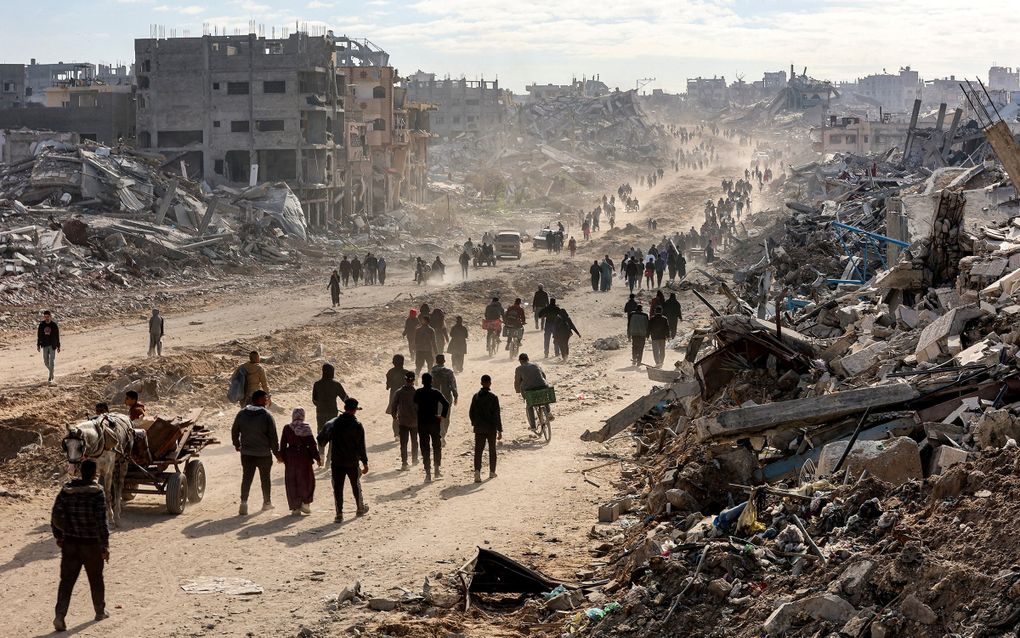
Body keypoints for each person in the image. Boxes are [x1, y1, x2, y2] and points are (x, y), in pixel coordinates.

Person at [51, 459, 109, 632]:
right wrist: (104, 546)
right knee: (96, 579)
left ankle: (60, 616)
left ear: (80, 472)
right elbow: (101, 523)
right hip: (91, 545)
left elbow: (55, 516)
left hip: (70, 544)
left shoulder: (66, 490)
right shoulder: (97, 492)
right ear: (93, 474)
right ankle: (99, 611)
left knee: (66, 582)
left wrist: (59, 535)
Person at [319, 398, 369, 523]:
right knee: (355, 485)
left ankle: (339, 514)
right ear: (355, 410)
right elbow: (361, 446)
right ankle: (359, 508)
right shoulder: (357, 425)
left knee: (337, 488)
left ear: (345, 408)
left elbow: (321, 439)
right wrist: (365, 462)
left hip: (337, 462)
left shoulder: (334, 423)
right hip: (352, 461)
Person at [231, 390, 279, 515]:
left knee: (246, 478)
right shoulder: (267, 416)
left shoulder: (241, 414)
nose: (267, 400)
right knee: (265, 479)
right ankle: (267, 503)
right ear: (260, 400)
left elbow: (234, 430)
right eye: (266, 398)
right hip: (263, 454)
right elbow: (273, 437)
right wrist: (277, 454)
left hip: (246, 453)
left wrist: (237, 444)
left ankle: (243, 503)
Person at [280, 407, 321, 516]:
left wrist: (282, 457)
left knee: (292, 481)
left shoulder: (287, 428)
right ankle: (305, 503)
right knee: (307, 480)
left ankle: (295, 507)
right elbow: (312, 445)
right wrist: (317, 458)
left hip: (291, 457)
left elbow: (283, 444)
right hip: (304, 457)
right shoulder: (306, 428)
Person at [413, 373, 450, 483]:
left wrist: (418, 415)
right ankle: (437, 470)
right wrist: (442, 416)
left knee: (425, 448)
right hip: (434, 422)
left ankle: (428, 473)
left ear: (422, 382)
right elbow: (446, 403)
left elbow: (414, 405)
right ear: (432, 381)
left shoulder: (418, 392)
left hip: (422, 422)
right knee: (436, 446)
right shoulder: (436, 392)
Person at [469, 375, 502, 483]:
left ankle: (477, 472)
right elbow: (497, 414)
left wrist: (474, 423)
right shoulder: (493, 397)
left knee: (478, 451)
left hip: (479, 428)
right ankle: (492, 472)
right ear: (490, 383)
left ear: (481, 383)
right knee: (492, 449)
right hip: (491, 428)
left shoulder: (476, 396)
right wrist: (499, 429)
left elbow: (471, 413)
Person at [312, 363, 347, 463]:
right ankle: (329, 459)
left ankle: (321, 455)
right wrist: (352, 406)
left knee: (321, 433)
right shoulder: (336, 384)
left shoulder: (317, 384)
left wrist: (320, 406)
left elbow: (314, 400)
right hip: (332, 413)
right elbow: (344, 397)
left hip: (320, 413)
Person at [388, 371, 420, 469]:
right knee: (414, 441)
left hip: (403, 421)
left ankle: (404, 463)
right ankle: (414, 459)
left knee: (404, 443)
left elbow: (393, 405)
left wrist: (394, 416)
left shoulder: (399, 392)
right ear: (414, 380)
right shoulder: (416, 392)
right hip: (414, 421)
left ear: (405, 380)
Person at [513, 353, 550, 431]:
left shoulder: (519, 369)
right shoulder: (536, 365)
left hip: (530, 390)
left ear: (520, 361)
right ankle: (549, 412)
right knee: (544, 395)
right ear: (528, 359)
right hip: (543, 386)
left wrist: (518, 390)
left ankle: (533, 426)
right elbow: (543, 375)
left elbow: (517, 382)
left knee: (529, 405)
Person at [431, 354, 458, 444]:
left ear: (436, 361)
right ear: (444, 361)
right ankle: (443, 435)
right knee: (445, 417)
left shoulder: (432, 372)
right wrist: (456, 396)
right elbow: (453, 385)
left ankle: (438, 434)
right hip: (446, 398)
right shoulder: (449, 372)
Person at [384, 355, 408, 439]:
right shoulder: (407, 373)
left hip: (394, 394)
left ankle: (396, 433)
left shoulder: (390, 372)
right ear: (403, 362)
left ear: (393, 362)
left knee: (395, 415)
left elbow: (388, 386)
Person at [38, 309, 60, 384]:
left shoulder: (54, 325)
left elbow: (57, 336)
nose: (46, 318)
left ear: (50, 317)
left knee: (51, 361)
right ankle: (52, 372)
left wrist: (58, 346)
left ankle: (50, 377)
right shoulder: (42, 325)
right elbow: (39, 335)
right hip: (44, 345)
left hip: (52, 345)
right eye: (45, 317)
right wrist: (38, 345)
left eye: (48, 316)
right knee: (46, 362)